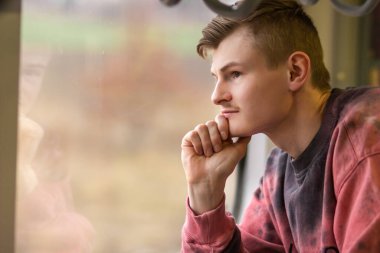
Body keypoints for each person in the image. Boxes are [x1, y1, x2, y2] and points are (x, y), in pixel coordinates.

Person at [180, 0, 380, 252]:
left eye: (234, 74)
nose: (216, 96)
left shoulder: (367, 138)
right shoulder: (279, 173)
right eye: (216, 78)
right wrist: (204, 192)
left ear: (295, 71)